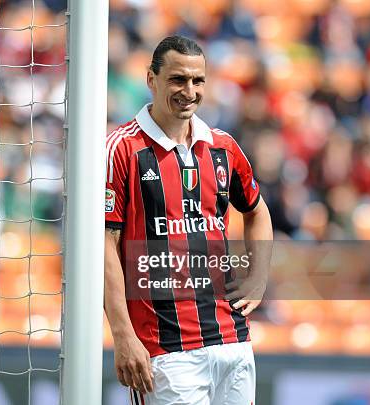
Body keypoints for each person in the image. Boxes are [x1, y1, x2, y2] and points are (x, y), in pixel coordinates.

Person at [104, 35, 273, 405]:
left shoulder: (222, 146)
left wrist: (258, 280)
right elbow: (104, 246)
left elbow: (257, 211)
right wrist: (123, 336)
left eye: (198, 81)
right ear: (151, 79)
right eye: (178, 79)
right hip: (165, 350)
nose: (189, 91)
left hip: (233, 341)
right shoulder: (122, 149)